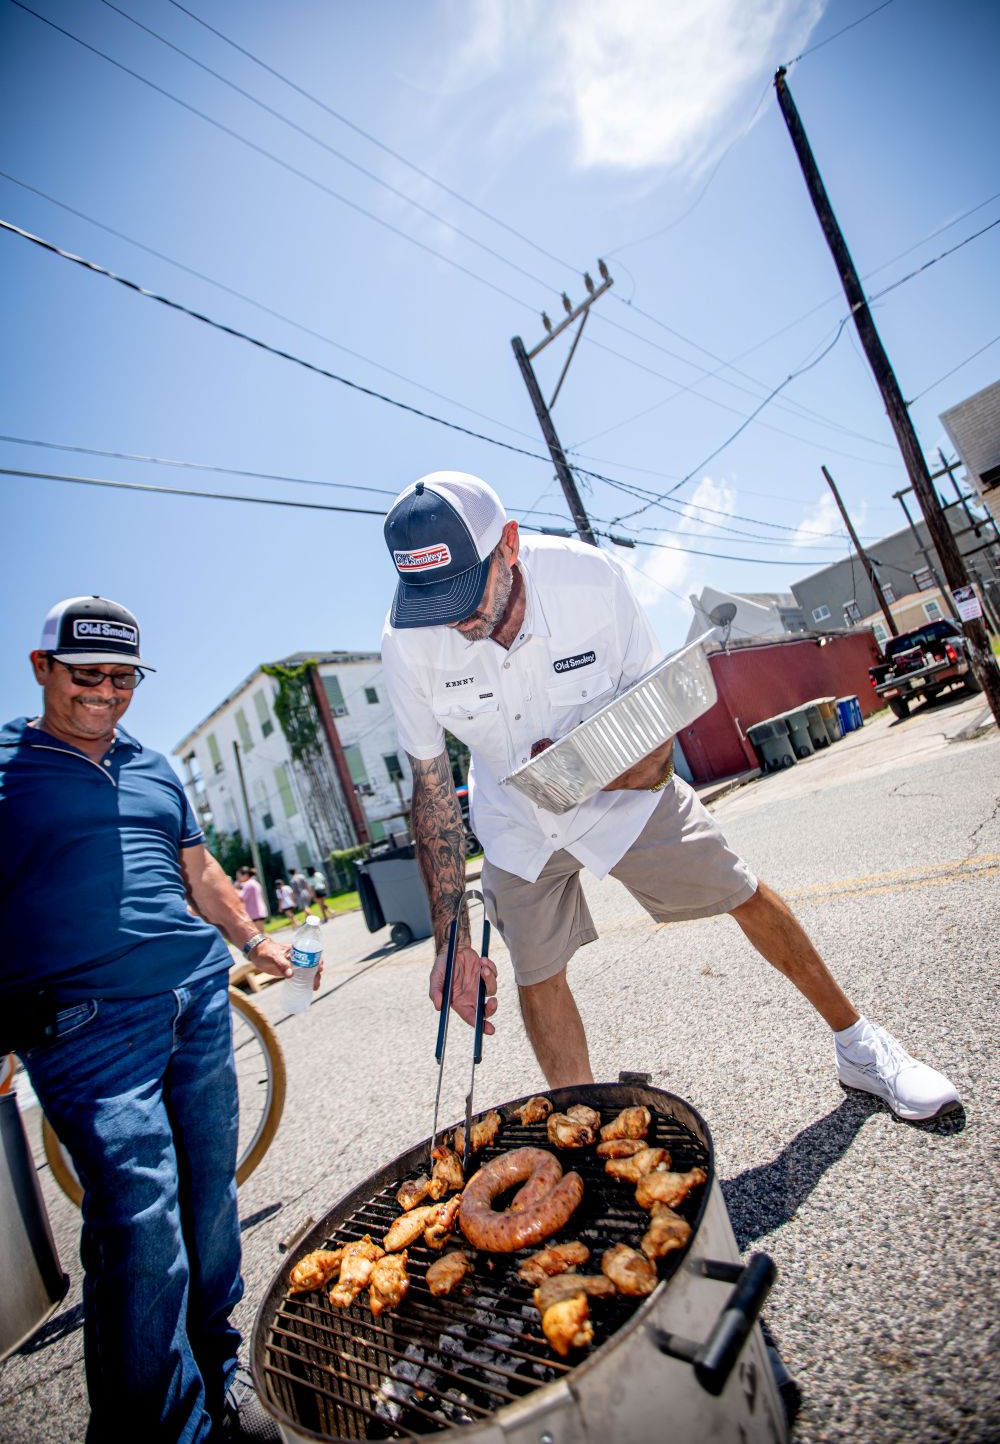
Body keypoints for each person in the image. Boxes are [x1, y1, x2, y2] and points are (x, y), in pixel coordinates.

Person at [379, 471, 960, 1121]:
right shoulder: (407, 644)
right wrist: (449, 937)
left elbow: (656, 756)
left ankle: (861, 1048)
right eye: (433, 601)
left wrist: (582, 773)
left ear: (509, 544)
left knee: (740, 890)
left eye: (463, 591)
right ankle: (585, 1129)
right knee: (538, 971)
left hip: (624, 789)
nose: (454, 619)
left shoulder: (591, 582)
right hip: (514, 819)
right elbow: (431, 794)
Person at [0, 595, 322, 1442]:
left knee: (209, 1201)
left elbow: (201, 869)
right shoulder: (6, 762)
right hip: (86, 1023)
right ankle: (159, 1427)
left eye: (122, 677)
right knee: (140, 1215)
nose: (105, 693)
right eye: (86, 675)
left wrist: (254, 940)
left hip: (199, 999)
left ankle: (218, 1372)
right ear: (42, 669)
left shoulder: (151, 766)